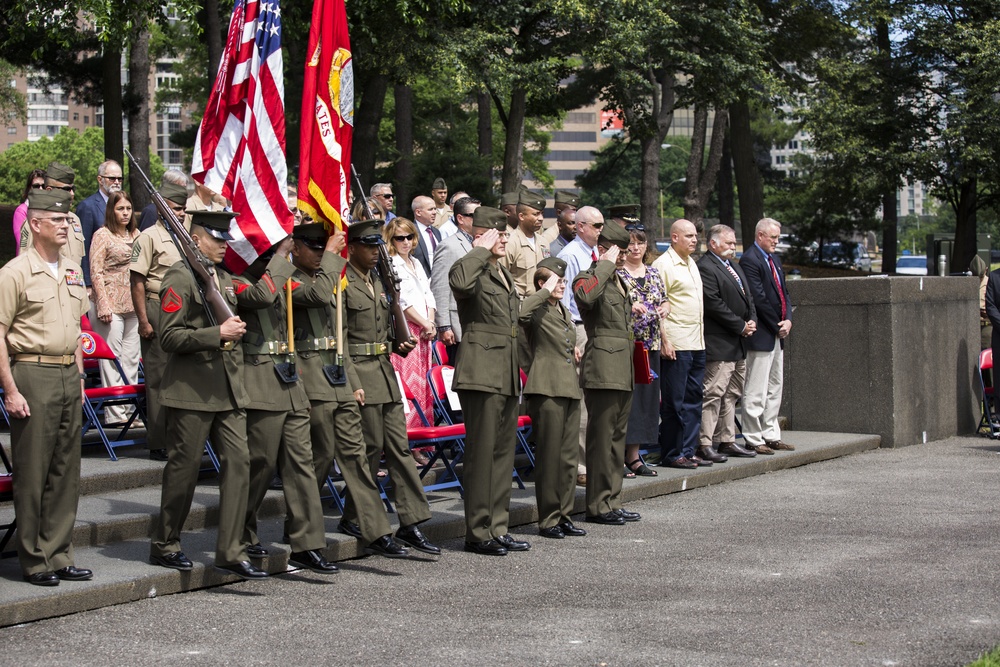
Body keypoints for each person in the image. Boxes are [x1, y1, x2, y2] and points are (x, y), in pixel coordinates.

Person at [149, 210, 265, 580]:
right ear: (196, 239)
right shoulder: (180, 277)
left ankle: (231, 549)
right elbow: (168, 337)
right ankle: (166, 543)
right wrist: (217, 334)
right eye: (217, 239)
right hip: (191, 391)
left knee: (240, 463)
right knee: (184, 472)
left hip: (229, 389)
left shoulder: (224, 278)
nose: (223, 245)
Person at [289, 223, 409, 559]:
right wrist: (331, 256)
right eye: (312, 247)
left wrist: (353, 379)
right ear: (296, 248)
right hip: (310, 373)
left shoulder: (332, 275)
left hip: (338, 371)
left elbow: (342, 329)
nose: (318, 252)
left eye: (321, 247)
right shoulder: (292, 278)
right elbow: (314, 297)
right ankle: (300, 525)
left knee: (357, 455)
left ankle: (376, 529)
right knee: (321, 455)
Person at [0, 188, 92, 586]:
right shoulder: (14, 273)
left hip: (67, 375)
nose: (66, 224)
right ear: (35, 224)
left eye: (68, 219)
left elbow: (75, 331)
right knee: (33, 470)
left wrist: (81, 377)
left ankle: (59, 553)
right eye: (57, 220)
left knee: (65, 470)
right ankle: (34, 559)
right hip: (31, 373)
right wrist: (10, 390)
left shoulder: (72, 268)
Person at [233, 241, 338, 574]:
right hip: (260, 379)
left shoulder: (282, 275)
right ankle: (239, 533)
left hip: (290, 378)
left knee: (302, 462)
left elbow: (314, 296)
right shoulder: (236, 277)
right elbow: (259, 297)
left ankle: (306, 542)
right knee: (260, 463)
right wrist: (278, 257)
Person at [341, 219, 441, 555]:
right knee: (368, 451)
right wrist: (351, 382)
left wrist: (397, 343)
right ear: (351, 247)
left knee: (398, 449)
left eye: (376, 247)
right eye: (369, 247)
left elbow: (383, 327)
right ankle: (368, 524)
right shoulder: (342, 283)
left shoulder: (380, 282)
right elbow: (339, 338)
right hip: (361, 375)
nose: (374, 253)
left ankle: (410, 522)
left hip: (384, 372)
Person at [449, 206, 526, 556]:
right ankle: (477, 532)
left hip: (505, 371)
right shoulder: (472, 265)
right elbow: (459, 282)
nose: (504, 239)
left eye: (506, 234)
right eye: (498, 233)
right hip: (481, 372)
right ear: (481, 234)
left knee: (502, 454)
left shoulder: (501, 272)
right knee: (482, 455)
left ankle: (498, 526)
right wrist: (480, 248)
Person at [573, 221, 640, 526]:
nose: (625, 256)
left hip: (622, 367)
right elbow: (586, 298)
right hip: (602, 367)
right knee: (601, 440)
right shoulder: (590, 277)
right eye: (620, 251)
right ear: (603, 250)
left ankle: (612, 500)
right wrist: (604, 265)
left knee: (616, 439)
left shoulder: (618, 281)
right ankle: (598, 505)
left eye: (626, 251)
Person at [519, 257, 587, 539]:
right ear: (541, 283)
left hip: (569, 385)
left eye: (562, 281)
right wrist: (543, 292)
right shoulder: (535, 307)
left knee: (569, 457)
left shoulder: (561, 310)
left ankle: (564, 514)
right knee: (549, 456)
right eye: (556, 281)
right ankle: (548, 519)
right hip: (546, 387)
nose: (561, 286)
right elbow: (520, 314)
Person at [130, 182, 190, 461]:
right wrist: (143, 320)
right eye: (175, 208)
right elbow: (138, 282)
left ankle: (182, 436)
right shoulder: (148, 237)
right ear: (162, 207)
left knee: (182, 374)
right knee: (158, 377)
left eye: (183, 209)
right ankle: (158, 439)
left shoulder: (187, 237)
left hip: (183, 309)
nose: (180, 214)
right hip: (157, 306)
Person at [697, 224, 758, 461]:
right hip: (720, 341)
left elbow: (748, 296)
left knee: (732, 393)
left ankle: (727, 440)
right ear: (713, 243)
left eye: (734, 243)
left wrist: (751, 319)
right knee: (713, 393)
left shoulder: (733, 265)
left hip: (739, 343)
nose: (734, 247)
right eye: (729, 243)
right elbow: (713, 303)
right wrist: (740, 325)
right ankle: (705, 443)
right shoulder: (705, 267)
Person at [652, 219, 707, 469]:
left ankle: (688, 449)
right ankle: (672, 453)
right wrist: (664, 340)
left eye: (695, 236)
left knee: (694, 397)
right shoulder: (663, 265)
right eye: (688, 236)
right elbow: (657, 305)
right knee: (674, 401)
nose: (694, 240)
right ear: (674, 237)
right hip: (677, 341)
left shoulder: (691, 262)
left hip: (697, 340)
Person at [557, 205, 605, 486]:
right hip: (578, 328)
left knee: (594, 396)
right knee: (580, 401)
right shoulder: (570, 255)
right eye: (596, 226)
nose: (600, 231)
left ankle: (593, 459)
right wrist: (570, 338)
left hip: (594, 327)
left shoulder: (594, 254)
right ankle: (579, 465)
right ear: (580, 226)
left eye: (601, 226)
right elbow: (563, 301)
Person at [739, 218, 795, 454]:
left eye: (777, 237)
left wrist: (789, 319)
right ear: (760, 235)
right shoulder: (750, 259)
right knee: (756, 387)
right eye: (773, 237)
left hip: (777, 333)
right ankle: (753, 436)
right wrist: (776, 324)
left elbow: (784, 292)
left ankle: (771, 434)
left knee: (775, 386)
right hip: (762, 333)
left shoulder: (774, 259)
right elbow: (758, 298)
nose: (776, 241)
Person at [618, 224, 668, 477]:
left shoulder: (653, 273)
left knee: (647, 401)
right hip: (628, 345)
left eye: (640, 243)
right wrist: (631, 306)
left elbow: (665, 300)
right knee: (628, 402)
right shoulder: (617, 274)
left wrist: (665, 309)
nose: (635, 248)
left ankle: (635, 457)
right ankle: (617, 457)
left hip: (653, 344)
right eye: (631, 243)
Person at [88, 191, 141, 424]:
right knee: (112, 358)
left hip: (134, 305)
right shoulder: (102, 235)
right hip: (109, 304)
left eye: (128, 209)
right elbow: (95, 272)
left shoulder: (137, 234)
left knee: (131, 359)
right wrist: (102, 303)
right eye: (120, 209)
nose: (125, 213)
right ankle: (115, 414)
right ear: (112, 210)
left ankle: (130, 412)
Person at [384, 217, 437, 429]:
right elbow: (401, 301)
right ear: (391, 240)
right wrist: (424, 323)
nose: (405, 242)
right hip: (408, 329)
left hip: (425, 328)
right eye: (400, 238)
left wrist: (431, 322)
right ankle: (408, 437)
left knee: (424, 386)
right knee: (409, 385)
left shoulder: (415, 262)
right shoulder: (391, 263)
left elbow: (428, 294)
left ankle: (423, 438)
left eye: (409, 236)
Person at [431, 196, 480, 363]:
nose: (480, 220)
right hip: (457, 327)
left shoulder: (482, 244)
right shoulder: (449, 246)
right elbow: (440, 287)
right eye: (475, 215)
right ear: (460, 218)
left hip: (477, 324)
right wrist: (443, 326)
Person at [21, 162, 87, 269]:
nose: (72, 194)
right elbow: (24, 263)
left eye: (72, 189)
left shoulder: (75, 220)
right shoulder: (37, 221)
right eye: (66, 189)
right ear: (49, 190)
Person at [76, 159, 124, 288]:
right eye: (112, 178)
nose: (117, 182)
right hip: (98, 281)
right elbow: (83, 247)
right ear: (100, 179)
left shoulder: (125, 206)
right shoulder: (88, 206)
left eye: (120, 179)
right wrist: (87, 284)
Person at [500, 189, 549, 298]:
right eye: (536, 214)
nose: (540, 218)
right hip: (520, 305)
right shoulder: (510, 242)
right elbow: (501, 278)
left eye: (542, 214)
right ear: (521, 216)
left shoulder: (543, 242)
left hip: (542, 304)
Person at [12, 168, 46, 252]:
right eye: (36, 186)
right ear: (29, 188)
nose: (40, 189)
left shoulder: (52, 211)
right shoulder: (21, 211)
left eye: (43, 186)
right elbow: (22, 243)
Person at [410, 195, 440, 276]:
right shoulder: (410, 233)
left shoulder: (436, 232)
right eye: (430, 209)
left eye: (435, 209)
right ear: (418, 212)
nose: (434, 212)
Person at [543, 190, 579, 256]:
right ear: (559, 212)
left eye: (576, 210)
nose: (575, 214)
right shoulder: (548, 237)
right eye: (571, 210)